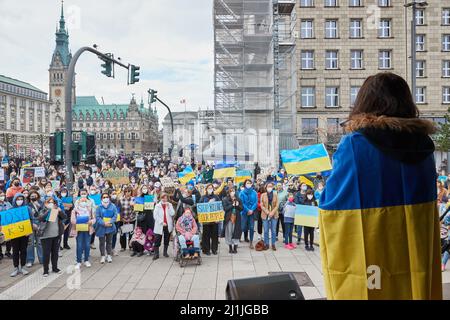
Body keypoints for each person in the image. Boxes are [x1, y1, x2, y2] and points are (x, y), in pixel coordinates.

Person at [319, 72, 441, 299]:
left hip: (373, 249)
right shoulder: (425, 146)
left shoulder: (355, 145)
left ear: (365, 102)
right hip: (414, 246)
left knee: (372, 288)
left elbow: (332, 203)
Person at [3, 193, 32, 277]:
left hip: (25, 234)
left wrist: (29, 230)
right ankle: (16, 268)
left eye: (21, 199)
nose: (20, 201)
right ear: (15, 200)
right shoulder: (11, 209)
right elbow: (7, 222)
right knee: (15, 251)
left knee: (23, 250)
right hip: (14, 234)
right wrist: (7, 235)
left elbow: (31, 219)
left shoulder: (27, 208)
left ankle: (22, 267)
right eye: (18, 199)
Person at [38, 197, 66, 277]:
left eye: (52, 202)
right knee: (46, 254)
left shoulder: (56, 211)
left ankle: (55, 268)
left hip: (56, 235)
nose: (51, 204)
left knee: (55, 253)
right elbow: (41, 218)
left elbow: (64, 217)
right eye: (49, 202)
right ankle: (45, 270)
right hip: (46, 236)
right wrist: (48, 210)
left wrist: (60, 211)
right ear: (45, 204)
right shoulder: (43, 210)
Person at [71, 193, 96, 269]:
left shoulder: (90, 210)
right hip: (78, 230)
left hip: (88, 229)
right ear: (78, 202)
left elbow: (94, 219)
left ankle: (86, 260)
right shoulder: (74, 210)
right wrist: (79, 221)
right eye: (82, 201)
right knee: (79, 245)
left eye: (85, 201)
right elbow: (72, 220)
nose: (83, 202)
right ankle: (78, 261)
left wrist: (90, 222)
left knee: (87, 245)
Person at [95, 193, 118, 264]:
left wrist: (110, 221)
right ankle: (102, 255)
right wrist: (103, 223)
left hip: (110, 227)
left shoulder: (113, 206)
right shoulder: (99, 207)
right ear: (101, 198)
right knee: (102, 242)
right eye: (104, 197)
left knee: (109, 242)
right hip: (101, 227)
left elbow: (115, 215)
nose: (105, 198)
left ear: (109, 198)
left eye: (107, 197)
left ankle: (108, 255)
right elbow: (97, 217)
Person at [199, 184, 221, 255]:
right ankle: (206, 250)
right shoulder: (203, 197)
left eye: (211, 188)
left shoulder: (216, 197)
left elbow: (219, 207)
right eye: (209, 188)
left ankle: (214, 249)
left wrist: (218, 218)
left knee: (215, 235)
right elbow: (200, 208)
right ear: (206, 189)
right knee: (206, 235)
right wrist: (208, 203)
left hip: (214, 220)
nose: (210, 189)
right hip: (206, 220)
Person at [153, 193, 175, 260]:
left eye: (166, 198)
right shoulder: (157, 205)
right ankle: (156, 253)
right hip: (160, 225)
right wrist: (162, 222)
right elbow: (155, 216)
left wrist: (169, 207)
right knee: (157, 239)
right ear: (160, 198)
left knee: (167, 238)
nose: (164, 199)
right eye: (163, 198)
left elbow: (172, 213)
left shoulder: (170, 204)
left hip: (168, 225)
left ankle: (165, 252)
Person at [221, 187, 243, 254]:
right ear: (228, 192)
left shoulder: (238, 199)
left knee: (236, 231)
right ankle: (230, 247)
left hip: (237, 218)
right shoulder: (225, 199)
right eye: (231, 191)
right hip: (229, 218)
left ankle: (235, 247)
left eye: (233, 191)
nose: (232, 193)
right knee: (229, 232)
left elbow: (241, 208)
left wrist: (237, 205)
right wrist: (232, 205)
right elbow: (225, 209)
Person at [26, 190, 44, 267]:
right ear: (29, 197)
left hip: (39, 225)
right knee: (30, 243)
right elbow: (26, 216)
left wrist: (39, 207)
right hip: (30, 225)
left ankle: (42, 259)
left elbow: (44, 213)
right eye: (32, 196)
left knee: (40, 243)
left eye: (35, 195)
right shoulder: (27, 205)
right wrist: (32, 224)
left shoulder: (41, 203)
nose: (34, 197)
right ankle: (30, 260)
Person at [260, 182, 279, 251]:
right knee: (265, 230)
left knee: (273, 230)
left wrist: (272, 212)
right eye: (268, 186)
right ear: (266, 187)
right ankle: (266, 244)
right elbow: (261, 205)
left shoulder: (275, 194)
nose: (270, 187)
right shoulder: (263, 195)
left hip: (274, 215)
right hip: (265, 215)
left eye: (271, 186)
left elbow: (277, 205)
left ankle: (273, 244)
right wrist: (268, 213)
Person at [240, 179, 258, 249]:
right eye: (247, 183)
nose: (249, 184)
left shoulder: (254, 192)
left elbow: (256, 202)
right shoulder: (242, 193)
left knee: (251, 227)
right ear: (245, 184)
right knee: (243, 227)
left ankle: (251, 242)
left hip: (252, 213)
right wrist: (247, 210)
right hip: (244, 212)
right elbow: (242, 203)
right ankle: (238, 238)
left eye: (250, 183)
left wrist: (252, 210)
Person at [0, 191, 13, 260]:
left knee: (9, 239)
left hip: (8, 224)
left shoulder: (8, 203)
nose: (2, 197)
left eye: (3, 195)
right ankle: (0, 253)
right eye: (1, 195)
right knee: (0, 239)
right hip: (0, 224)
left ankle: (8, 251)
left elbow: (12, 212)